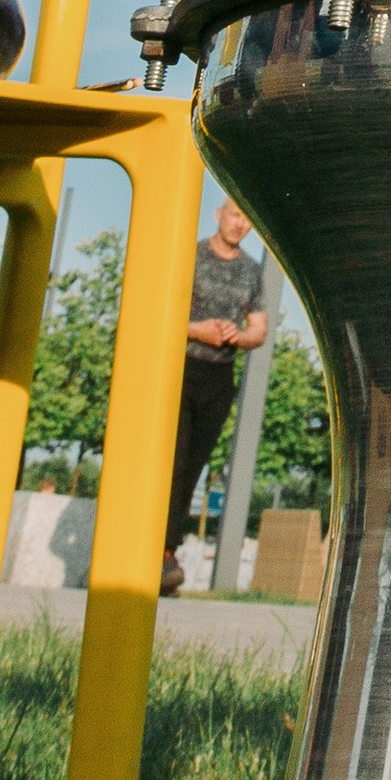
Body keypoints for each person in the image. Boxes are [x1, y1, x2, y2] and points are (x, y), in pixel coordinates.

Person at [163, 198, 268, 597]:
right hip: (180, 368)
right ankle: (158, 554)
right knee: (172, 459)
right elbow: (161, 311)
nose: (240, 224)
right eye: (235, 215)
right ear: (217, 215)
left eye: (247, 219)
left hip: (219, 376)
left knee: (193, 467)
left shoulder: (251, 272)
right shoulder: (189, 256)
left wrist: (235, 337)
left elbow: (258, 329)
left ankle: (167, 551)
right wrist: (197, 329)